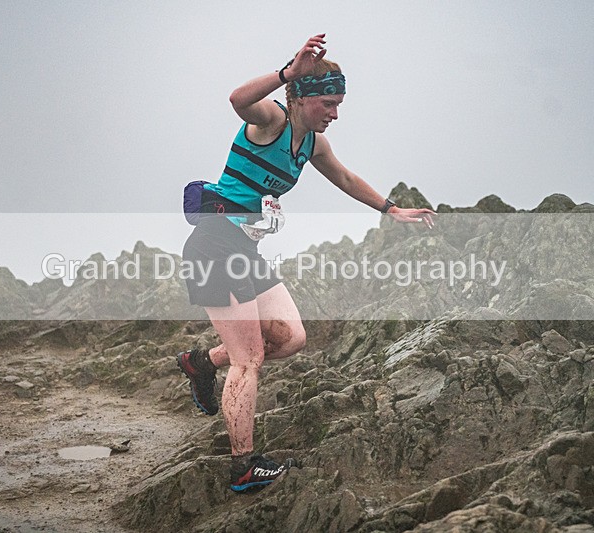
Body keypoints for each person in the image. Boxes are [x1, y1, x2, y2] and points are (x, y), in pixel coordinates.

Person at [177, 35, 435, 492]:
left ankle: (202, 363)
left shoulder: (311, 145)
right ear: (303, 97)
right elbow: (238, 99)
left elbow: (346, 178)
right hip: (215, 245)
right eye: (329, 103)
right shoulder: (271, 120)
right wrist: (286, 74)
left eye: (339, 104)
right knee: (249, 358)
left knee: (290, 337)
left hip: (245, 251)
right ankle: (242, 467)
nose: (336, 113)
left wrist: (392, 210)